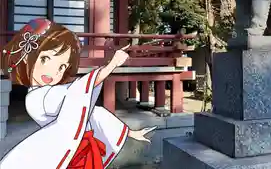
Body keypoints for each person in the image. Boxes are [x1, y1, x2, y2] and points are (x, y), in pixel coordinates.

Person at [0, 18, 156, 169]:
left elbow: (92, 109)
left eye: (62, 67)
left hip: (82, 150)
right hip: (67, 154)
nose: (52, 70)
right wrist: (111, 65)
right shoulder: (36, 99)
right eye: (45, 59)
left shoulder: (56, 92)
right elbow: (78, 92)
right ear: (28, 58)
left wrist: (130, 132)